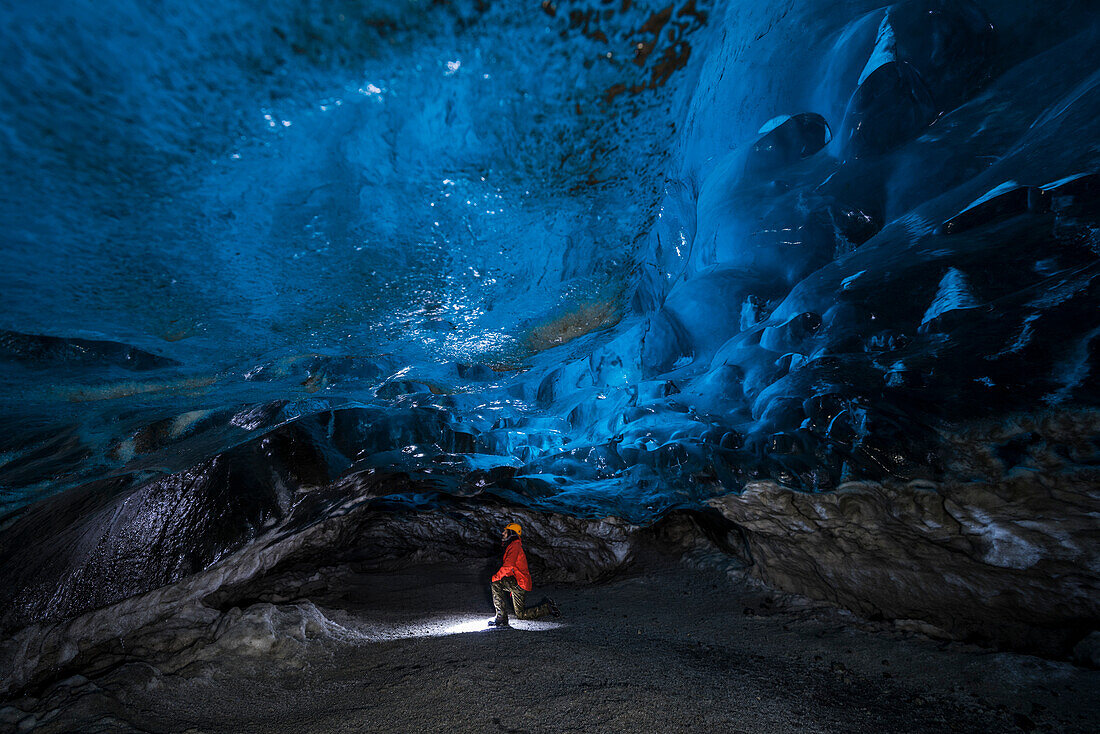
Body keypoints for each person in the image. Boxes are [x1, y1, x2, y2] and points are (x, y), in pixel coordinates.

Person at [488, 523, 561, 627]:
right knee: (521, 614)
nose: (503, 533)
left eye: (506, 531)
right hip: (520, 583)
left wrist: (496, 577)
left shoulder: (514, 546)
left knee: (495, 584)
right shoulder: (514, 545)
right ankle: (547, 608)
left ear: (511, 533)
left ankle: (501, 618)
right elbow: (512, 567)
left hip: (518, 582)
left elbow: (509, 565)